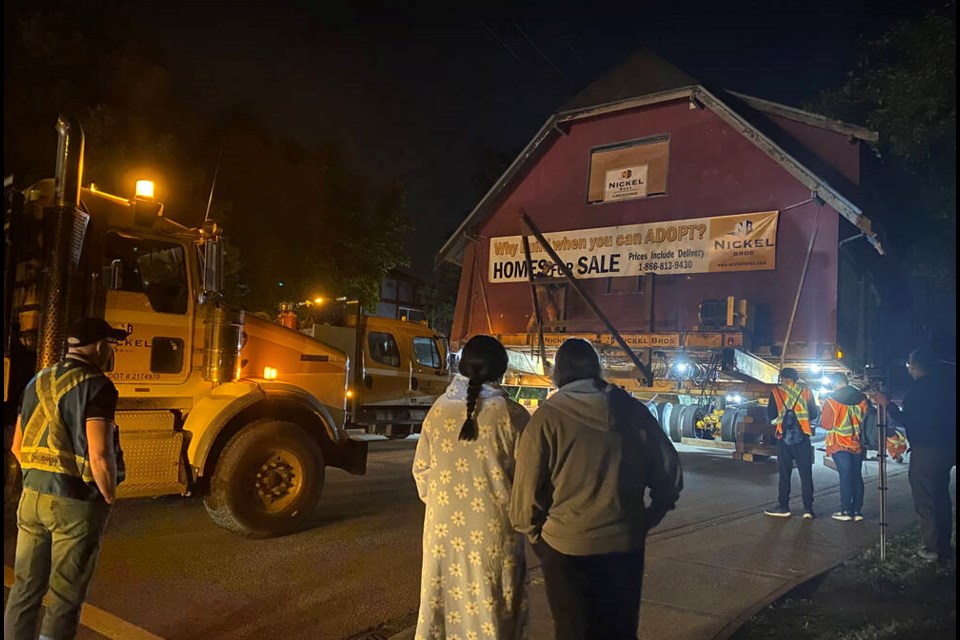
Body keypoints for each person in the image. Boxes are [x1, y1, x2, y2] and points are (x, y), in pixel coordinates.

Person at [509, 338, 682, 640]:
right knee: (621, 631)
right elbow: (670, 476)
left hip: (565, 549)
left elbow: (525, 501)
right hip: (624, 545)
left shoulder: (546, 420)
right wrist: (644, 519)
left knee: (573, 631)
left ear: (557, 373)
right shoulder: (634, 412)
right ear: (597, 369)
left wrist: (539, 538)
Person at [4, 317, 128, 640]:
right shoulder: (98, 386)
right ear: (100, 347)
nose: (112, 352)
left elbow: (17, 445)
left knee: (25, 589)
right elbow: (100, 455)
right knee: (64, 598)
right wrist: (109, 496)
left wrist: (39, 478)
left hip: (31, 498)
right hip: (73, 504)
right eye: (111, 345)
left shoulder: (37, 381)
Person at [412, 335, 531, 640]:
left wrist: (445, 503)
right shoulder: (513, 416)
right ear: (502, 371)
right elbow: (529, 484)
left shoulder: (438, 411)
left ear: (461, 366)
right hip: (493, 534)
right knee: (491, 612)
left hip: (441, 534)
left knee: (445, 607)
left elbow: (421, 472)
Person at [876, 349, 956, 562]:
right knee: (941, 497)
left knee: (926, 500)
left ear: (914, 366)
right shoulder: (946, 387)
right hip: (947, 449)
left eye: (909, 365)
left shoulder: (919, 390)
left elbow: (911, 420)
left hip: (926, 451)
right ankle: (944, 545)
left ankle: (932, 549)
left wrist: (888, 406)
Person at [764, 367, 820, 519]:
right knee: (806, 475)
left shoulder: (776, 392)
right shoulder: (806, 391)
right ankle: (808, 509)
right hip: (803, 438)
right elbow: (814, 413)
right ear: (796, 378)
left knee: (784, 474)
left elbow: (771, 414)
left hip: (784, 439)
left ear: (783, 378)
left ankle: (784, 507)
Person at [820, 373, 870, 522]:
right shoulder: (861, 398)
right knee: (856, 475)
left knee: (845, 476)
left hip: (839, 443)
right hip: (857, 443)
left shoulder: (831, 400)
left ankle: (845, 510)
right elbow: (866, 420)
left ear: (835, 383)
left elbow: (826, 425)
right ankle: (857, 510)